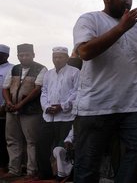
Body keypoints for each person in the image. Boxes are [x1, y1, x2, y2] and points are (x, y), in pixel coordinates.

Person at [72, 0, 137, 182]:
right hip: (97, 105)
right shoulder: (90, 19)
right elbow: (85, 52)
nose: (128, 1)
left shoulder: (135, 26)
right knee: (88, 165)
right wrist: (120, 28)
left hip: (132, 105)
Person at [1, 43, 47, 179]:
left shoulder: (41, 68)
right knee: (12, 140)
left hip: (30, 111)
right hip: (12, 110)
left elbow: (37, 90)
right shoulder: (15, 68)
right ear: (17, 56)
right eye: (21, 55)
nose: (24, 57)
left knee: (31, 141)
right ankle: (14, 170)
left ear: (33, 55)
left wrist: (20, 104)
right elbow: (5, 88)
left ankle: (31, 171)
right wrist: (9, 103)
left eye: (27, 55)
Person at [37, 47, 80, 179]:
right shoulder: (48, 74)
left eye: (60, 57)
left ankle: (67, 175)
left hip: (66, 117)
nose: (57, 59)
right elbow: (44, 92)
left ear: (67, 58)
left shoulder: (75, 72)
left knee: (64, 148)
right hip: (49, 117)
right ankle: (45, 174)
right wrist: (46, 107)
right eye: (55, 57)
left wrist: (63, 106)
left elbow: (77, 92)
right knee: (41, 145)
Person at [0, 44, 13, 173]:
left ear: (5, 55)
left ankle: (4, 165)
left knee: (4, 139)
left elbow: (10, 90)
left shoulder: (11, 69)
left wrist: (5, 104)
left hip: (4, 110)